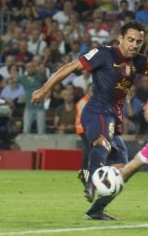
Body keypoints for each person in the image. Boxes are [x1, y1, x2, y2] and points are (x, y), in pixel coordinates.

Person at [31, 21, 147, 220]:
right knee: (102, 143)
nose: (134, 45)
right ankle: (92, 179)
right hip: (96, 111)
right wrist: (45, 89)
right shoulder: (104, 53)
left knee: (121, 172)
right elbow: (71, 66)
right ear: (120, 38)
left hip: (115, 118)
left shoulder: (139, 61)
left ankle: (96, 210)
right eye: (130, 40)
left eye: (139, 41)